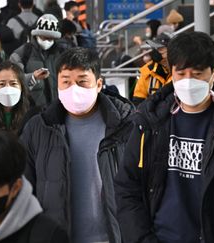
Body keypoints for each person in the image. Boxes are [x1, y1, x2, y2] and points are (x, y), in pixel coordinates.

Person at [115, 31, 214, 243]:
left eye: (197, 74)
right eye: (181, 73)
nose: (188, 81)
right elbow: (127, 186)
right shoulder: (149, 121)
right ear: (171, 72)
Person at [20, 47, 134, 242]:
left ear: (99, 84)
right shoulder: (38, 129)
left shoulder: (126, 126)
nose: (74, 89)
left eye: (82, 81)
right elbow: (21, 190)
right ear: (57, 84)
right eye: (66, 82)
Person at [10, 14, 63, 107]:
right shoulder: (22, 53)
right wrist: (33, 77)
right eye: (44, 37)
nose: (47, 41)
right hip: (31, 110)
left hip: (58, 108)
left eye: (50, 38)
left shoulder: (61, 53)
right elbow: (12, 80)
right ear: (37, 34)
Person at [132, 32, 172, 106]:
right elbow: (138, 100)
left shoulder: (180, 71)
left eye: (160, 48)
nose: (156, 52)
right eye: (155, 48)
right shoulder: (147, 71)